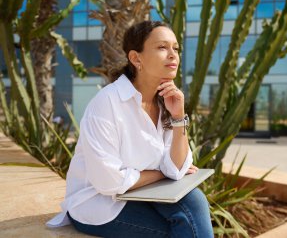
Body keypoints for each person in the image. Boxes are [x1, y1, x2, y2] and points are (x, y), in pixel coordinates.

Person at [46, 21, 214, 237]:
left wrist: (179, 117)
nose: (173, 55)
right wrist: (161, 172)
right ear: (136, 58)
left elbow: (178, 168)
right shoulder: (107, 103)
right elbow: (109, 183)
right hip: (99, 204)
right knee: (183, 227)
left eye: (176, 48)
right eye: (162, 47)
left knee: (194, 200)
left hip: (145, 192)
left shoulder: (166, 101)